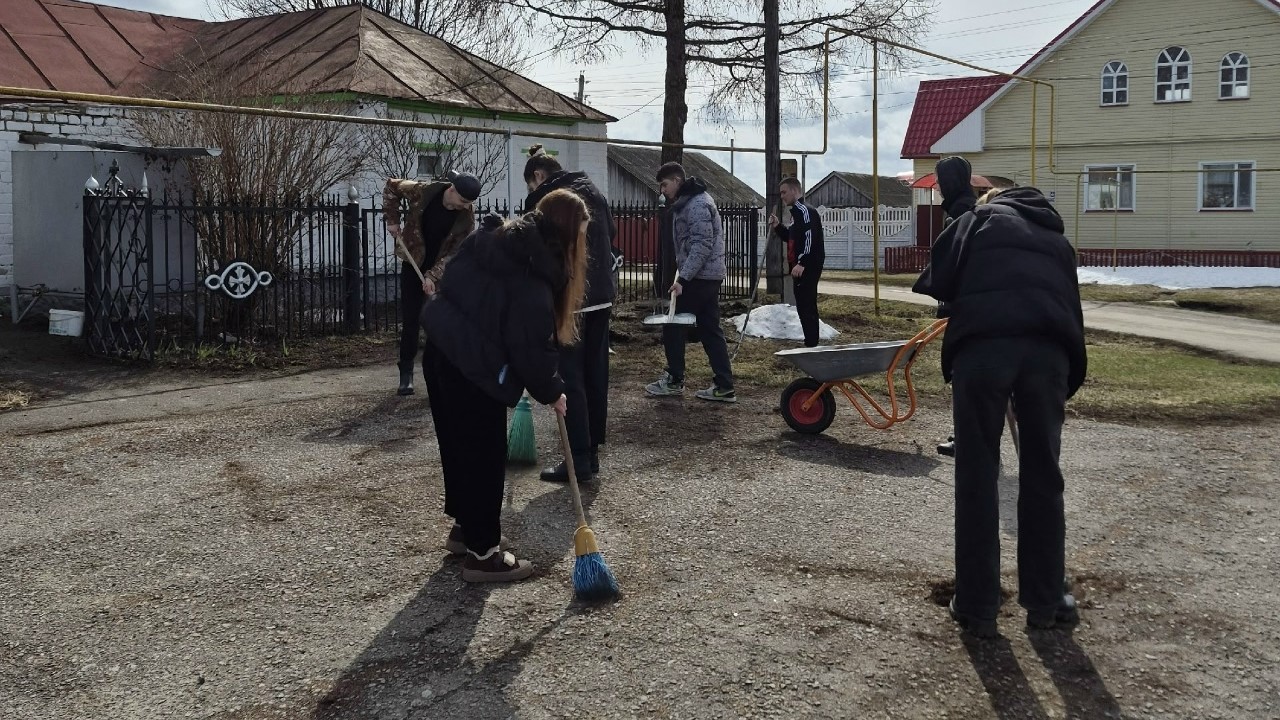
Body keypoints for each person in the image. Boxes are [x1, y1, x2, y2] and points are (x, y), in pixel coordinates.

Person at [912, 156, 1087, 637]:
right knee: (1042, 475)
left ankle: (977, 607)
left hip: (984, 351)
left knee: (978, 471)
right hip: (1049, 355)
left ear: (995, 199)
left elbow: (940, 277)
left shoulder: (978, 220)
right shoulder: (1056, 239)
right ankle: (1048, 602)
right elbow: (1071, 311)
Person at [419, 189, 589, 582]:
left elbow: (464, 288)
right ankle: (483, 555)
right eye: (581, 235)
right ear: (566, 234)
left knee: (460, 448)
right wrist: (553, 391)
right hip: (473, 367)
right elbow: (530, 346)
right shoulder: (534, 274)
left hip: (442, 351)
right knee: (484, 456)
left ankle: (465, 530)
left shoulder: (492, 240)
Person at [520, 144, 617, 483]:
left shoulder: (554, 199)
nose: (532, 195)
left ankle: (577, 458)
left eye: (530, 187)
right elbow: (611, 236)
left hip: (573, 299)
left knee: (571, 378)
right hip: (602, 295)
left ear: (538, 176)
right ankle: (590, 452)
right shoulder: (592, 189)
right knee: (595, 374)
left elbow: (545, 251)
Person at [644, 162, 736, 402]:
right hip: (706, 275)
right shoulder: (690, 202)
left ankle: (675, 380)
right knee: (709, 329)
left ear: (676, 180)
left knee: (673, 324)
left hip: (700, 276)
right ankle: (724, 385)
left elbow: (702, 245)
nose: (662, 190)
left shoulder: (697, 205)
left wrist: (683, 278)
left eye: (664, 185)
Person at [382, 170, 479, 396]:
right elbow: (391, 187)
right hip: (413, 261)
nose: (465, 206)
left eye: (469, 203)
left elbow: (456, 252)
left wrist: (433, 276)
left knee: (439, 323)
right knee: (411, 320)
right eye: (463, 201)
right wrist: (393, 220)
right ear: (452, 190)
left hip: (439, 269)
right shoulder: (423, 191)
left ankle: (441, 375)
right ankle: (406, 374)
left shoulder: (466, 217)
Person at [768, 177, 826, 347]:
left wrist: (802, 262)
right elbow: (792, 239)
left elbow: (810, 238)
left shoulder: (805, 211)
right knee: (802, 305)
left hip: (807, 265)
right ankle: (810, 341)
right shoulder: (796, 214)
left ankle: (812, 344)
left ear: (794, 191)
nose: (782, 196)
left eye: (784, 192)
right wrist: (778, 227)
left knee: (807, 304)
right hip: (799, 266)